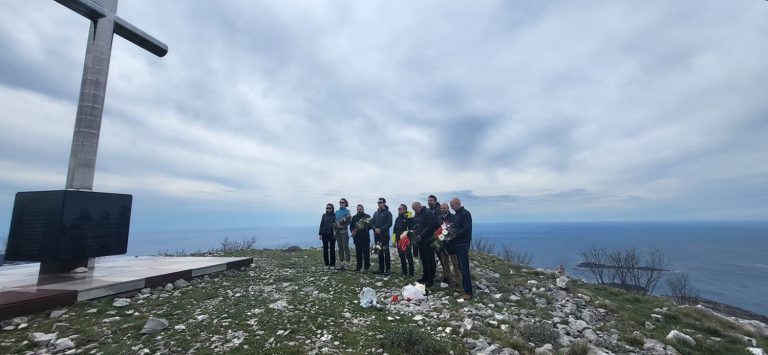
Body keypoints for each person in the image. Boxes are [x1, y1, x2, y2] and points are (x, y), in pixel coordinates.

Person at [450, 197, 473, 300]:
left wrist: (455, 234)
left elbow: (467, 229)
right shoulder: (457, 214)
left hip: (463, 243)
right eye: (451, 206)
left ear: (457, 203)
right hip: (458, 243)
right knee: (461, 267)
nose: (451, 208)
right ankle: (464, 289)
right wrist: (451, 230)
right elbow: (457, 227)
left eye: (452, 206)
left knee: (464, 268)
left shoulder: (464, 213)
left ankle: (468, 292)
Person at [412, 201, 438, 287]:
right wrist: (413, 230)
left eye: (416, 210)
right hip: (420, 240)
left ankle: (431, 278)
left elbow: (430, 226)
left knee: (430, 259)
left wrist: (421, 235)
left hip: (428, 239)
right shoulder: (416, 214)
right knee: (423, 258)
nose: (416, 212)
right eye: (414, 210)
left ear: (420, 207)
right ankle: (425, 276)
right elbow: (416, 224)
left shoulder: (428, 213)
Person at [371, 197, 393, 275]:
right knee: (379, 251)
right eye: (378, 202)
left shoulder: (388, 213)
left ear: (384, 203)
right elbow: (372, 223)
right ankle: (381, 268)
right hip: (376, 235)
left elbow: (389, 224)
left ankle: (388, 269)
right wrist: (374, 228)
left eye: (380, 202)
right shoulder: (375, 213)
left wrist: (381, 229)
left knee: (386, 251)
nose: (379, 204)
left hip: (385, 235)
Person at [392, 204, 414, 277]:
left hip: (406, 240)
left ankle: (411, 273)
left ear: (404, 210)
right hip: (399, 240)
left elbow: (411, 229)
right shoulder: (397, 218)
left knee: (408, 256)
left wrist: (409, 239)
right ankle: (404, 272)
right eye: (398, 209)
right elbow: (394, 230)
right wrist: (393, 241)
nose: (399, 210)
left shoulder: (409, 218)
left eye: (400, 209)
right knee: (401, 256)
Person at [437, 202, 456, 284]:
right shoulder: (438, 218)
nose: (442, 210)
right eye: (441, 208)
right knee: (445, 262)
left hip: (452, 243)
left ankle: (458, 280)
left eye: (444, 208)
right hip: (442, 243)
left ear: (448, 208)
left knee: (455, 263)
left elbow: (455, 228)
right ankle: (447, 278)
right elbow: (437, 229)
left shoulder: (453, 217)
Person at [350, 204, 372, 272]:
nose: (359, 210)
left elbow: (370, 226)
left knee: (366, 254)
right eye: (358, 209)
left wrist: (364, 227)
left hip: (365, 238)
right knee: (358, 254)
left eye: (360, 209)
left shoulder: (367, 216)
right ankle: (358, 267)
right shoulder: (354, 217)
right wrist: (352, 231)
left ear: (363, 209)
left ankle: (366, 267)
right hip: (357, 238)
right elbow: (351, 227)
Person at [335, 198, 352, 270]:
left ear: (345, 203)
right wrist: (336, 226)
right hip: (337, 232)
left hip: (344, 232)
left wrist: (342, 226)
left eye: (342, 202)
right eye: (340, 202)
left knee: (345, 247)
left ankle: (347, 263)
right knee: (340, 248)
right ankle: (341, 263)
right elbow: (335, 220)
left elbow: (349, 221)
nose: (341, 203)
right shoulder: (337, 211)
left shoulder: (347, 211)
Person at [318, 203, 336, 270]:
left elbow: (336, 224)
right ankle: (326, 264)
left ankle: (332, 264)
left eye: (330, 208)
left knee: (332, 249)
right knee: (325, 249)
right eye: (327, 208)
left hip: (332, 234)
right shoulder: (324, 215)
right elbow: (321, 224)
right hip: (324, 234)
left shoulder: (335, 215)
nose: (328, 209)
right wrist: (320, 234)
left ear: (332, 208)